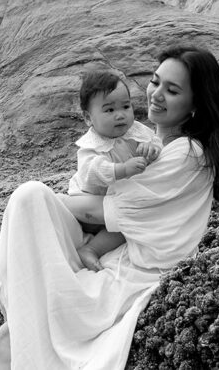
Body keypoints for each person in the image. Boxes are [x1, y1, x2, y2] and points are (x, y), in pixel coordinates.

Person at [0, 45, 219, 369]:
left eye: (172, 90)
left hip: (134, 273)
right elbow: (99, 186)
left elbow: (99, 211)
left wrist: (61, 202)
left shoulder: (188, 153)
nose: (156, 94)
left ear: (196, 105)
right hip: (109, 252)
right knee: (29, 200)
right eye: (155, 81)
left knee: (28, 199)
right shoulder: (151, 142)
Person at [68, 70, 162, 272]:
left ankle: (91, 248)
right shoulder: (91, 146)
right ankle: (88, 247)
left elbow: (155, 141)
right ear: (88, 118)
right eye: (109, 110)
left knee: (125, 224)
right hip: (88, 203)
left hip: (115, 200)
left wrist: (152, 150)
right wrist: (122, 169)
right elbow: (92, 172)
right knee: (122, 217)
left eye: (126, 106)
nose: (120, 115)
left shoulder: (136, 131)